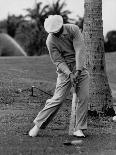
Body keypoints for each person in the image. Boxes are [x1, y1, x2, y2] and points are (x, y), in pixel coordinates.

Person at [29, 15, 90, 137]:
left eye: (58, 31)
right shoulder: (50, 41)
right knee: (58, 99)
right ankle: (37, 124)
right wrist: (69, 74)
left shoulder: (73, 29)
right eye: (53, 32)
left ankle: (79, 128)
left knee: (83, 98)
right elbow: (58, 61)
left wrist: (77, 70)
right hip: (64, 71)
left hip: (80, 68)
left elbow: (79, 49)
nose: (56, 34)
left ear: (62, 25)